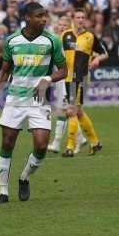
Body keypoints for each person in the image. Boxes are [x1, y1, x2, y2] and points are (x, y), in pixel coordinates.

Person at [0, 2, 67, 204]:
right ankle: (3, 191)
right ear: (27, 18)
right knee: (7, 142)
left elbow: (64, 70)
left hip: (39, 101)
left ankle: (24, 177)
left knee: (41, 146)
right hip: (14, 100)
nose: (44, 19)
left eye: (45, 15)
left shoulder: (52, 41)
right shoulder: (12, 40)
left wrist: (47, 80)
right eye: (39, 16)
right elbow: (5, 70)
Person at [60, 8, 108, 158]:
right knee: (78, 111)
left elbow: (104, 53)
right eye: (78, 17)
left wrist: (97, 59)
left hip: (80, 79)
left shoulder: (90, 37)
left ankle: (70, 146)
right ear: (73, 19)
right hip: (67, 78)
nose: (80, 19)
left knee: (71, 110)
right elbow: (58, 54)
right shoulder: (65, 35)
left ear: (85, 20)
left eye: (83, 17)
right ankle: (95, 142)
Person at [48, 16, 87, 155]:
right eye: (59, 24)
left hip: (69, 79)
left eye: (64, 25)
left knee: (65, 110)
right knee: (64, 110)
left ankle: (57, 143)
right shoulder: (56, 39)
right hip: (59, 80)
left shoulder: (71, 41)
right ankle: (81, 138)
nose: (61, 27)